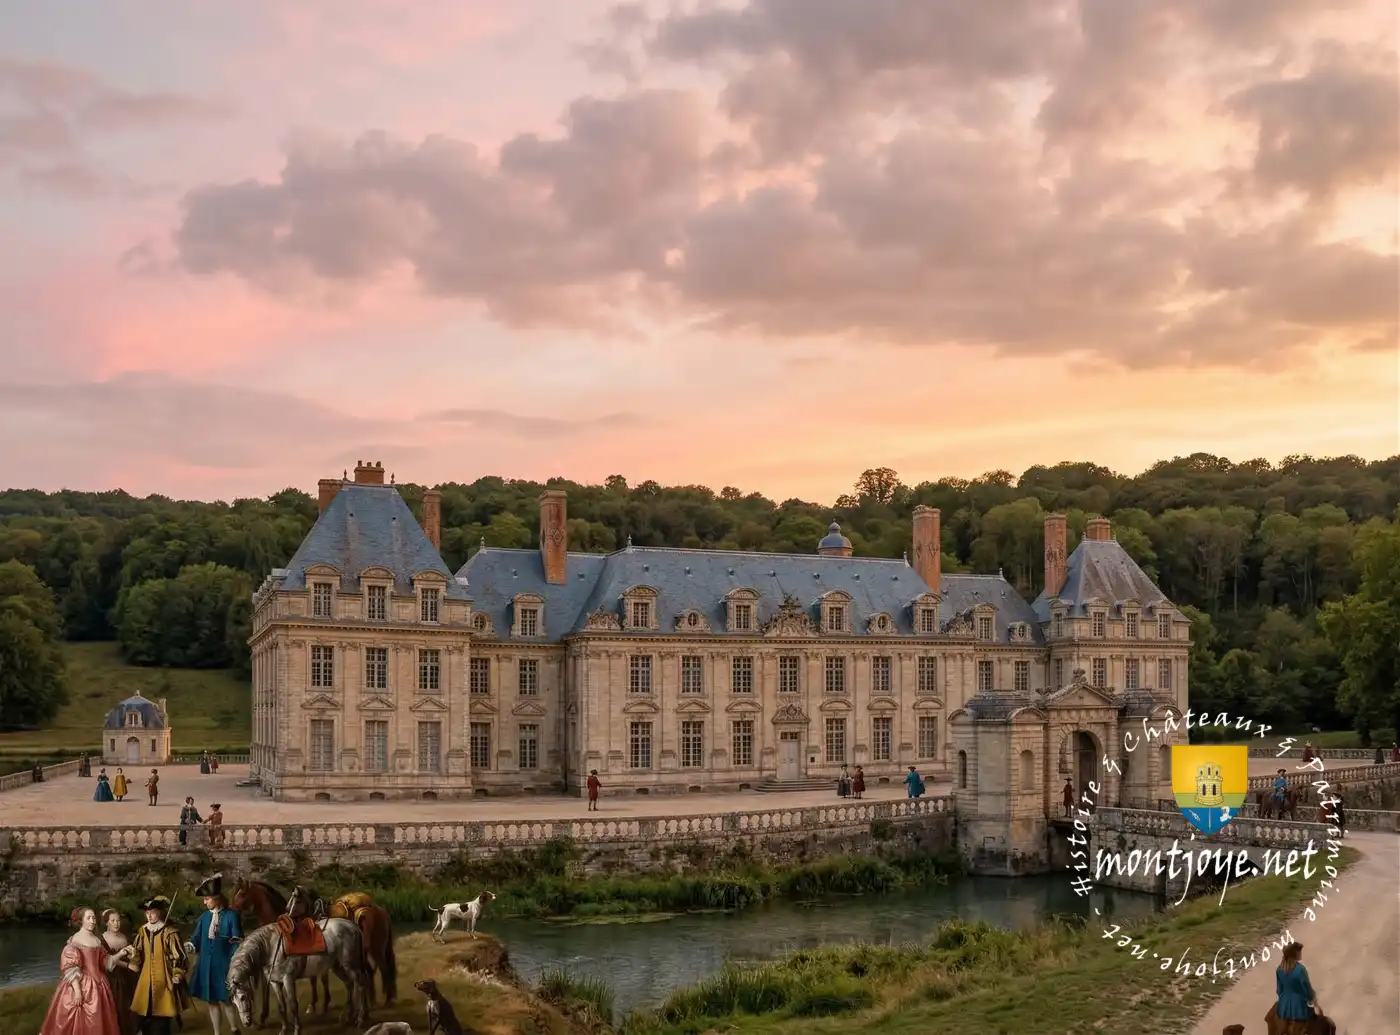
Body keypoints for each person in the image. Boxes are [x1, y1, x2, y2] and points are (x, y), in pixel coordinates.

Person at [38, 906, 124, 1035]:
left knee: (102, 1020)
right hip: (81, 985)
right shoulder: (75, 941)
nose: (92, 921)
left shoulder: (96, 940)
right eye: (88, 918)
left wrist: (121, 953)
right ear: (81, 920)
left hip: (99, 985)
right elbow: (70, 967)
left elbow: (106, 962)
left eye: (94, 918)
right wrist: (77, 991)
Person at [185, 874, 242, 1035]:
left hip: (224, 965)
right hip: (206, 965)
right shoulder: (204, 918)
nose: (205, 902)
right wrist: (190, 945)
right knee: (212, 1000)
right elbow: (196, 937)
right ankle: (217, 1032)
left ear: (217, 898)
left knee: (227, 1000)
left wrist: (233, 962)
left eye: (207, 899)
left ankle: (234, 1028)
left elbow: (236, 941)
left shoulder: (231, 916)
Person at [125, 895, 190, 1035]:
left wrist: (177, 974)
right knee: (142, 1011)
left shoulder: (170, 933)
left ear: (159, 912)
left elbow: (178, 956)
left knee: (161, 1015)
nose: (149, 916)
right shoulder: (143, 931)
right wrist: (133, 956)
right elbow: (138, 952)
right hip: (145, 980)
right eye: (147, 913)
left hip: (163, 978)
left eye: (152, 912)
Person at [101, 910, 139, 1035]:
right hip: (112, 976)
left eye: (118, 920)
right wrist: (128, 964)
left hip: (127, 974)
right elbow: (108, 961)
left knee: (130, 1004)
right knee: (117, 1004)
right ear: (107, 923)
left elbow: (130, 957)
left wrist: (133, 956)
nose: (116, 923)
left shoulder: (124, 937)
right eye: (113, 921)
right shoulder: (102, 939)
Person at [1274, 941, 1319, 1034]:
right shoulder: (1300, 970)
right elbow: (1307, 990)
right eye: (1299, 952)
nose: (1300, 953)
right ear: (1295, 954)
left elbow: (1279, 990)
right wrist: (1313, 999)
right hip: (1299, 1008)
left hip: (1283, 1008)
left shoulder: (1279, 970)